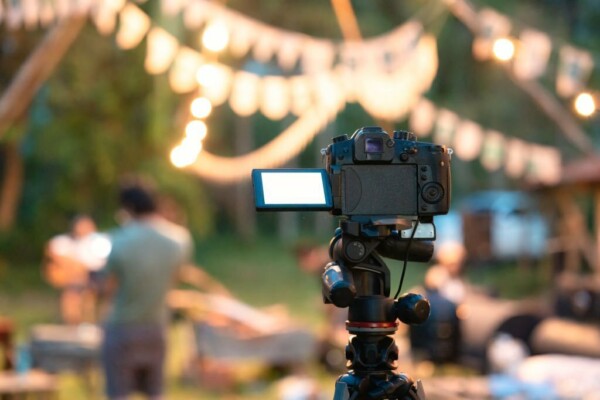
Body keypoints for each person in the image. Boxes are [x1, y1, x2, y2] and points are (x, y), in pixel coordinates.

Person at [100, 177, 193, 400]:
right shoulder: (179, 239)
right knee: (156, 393)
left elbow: (108, 287)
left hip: (122, 327)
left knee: (119, 394)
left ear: (127, 208)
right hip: (157, 326)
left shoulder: (119, 241)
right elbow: (175, 278)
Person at [43, 214, 103, 325]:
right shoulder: (63, 241)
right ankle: (73, 322)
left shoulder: (99, 243)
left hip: (93, 277)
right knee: (73, 292)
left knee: (84, 291)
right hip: (71, 279)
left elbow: (100, 264)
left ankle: (85, 322)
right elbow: (52, 254)